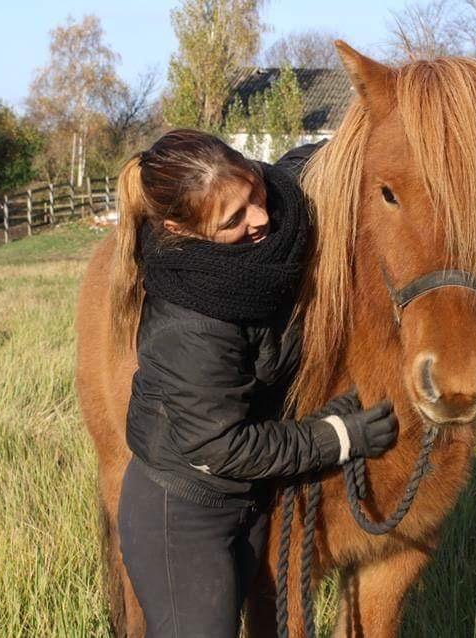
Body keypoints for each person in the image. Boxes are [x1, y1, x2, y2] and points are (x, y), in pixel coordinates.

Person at [109, 129, 398, 638]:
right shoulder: (190, 323)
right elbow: (224, 447)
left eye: (254, 193)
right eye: (234, 219)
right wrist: (340, 436)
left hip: (247, 501)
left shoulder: (278, 210)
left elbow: (320, 163)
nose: (261, 217)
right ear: (181, 229)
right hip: (185, 515)